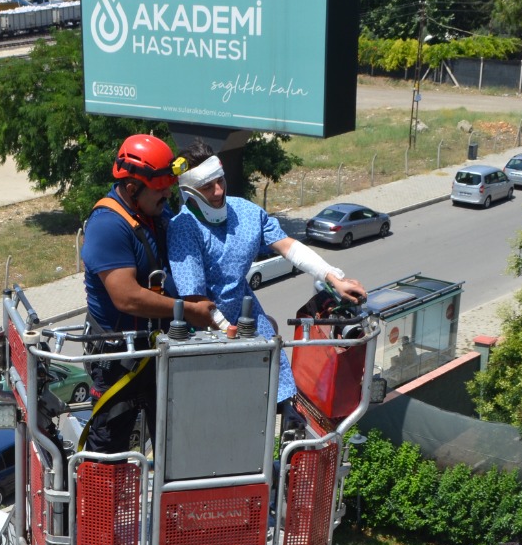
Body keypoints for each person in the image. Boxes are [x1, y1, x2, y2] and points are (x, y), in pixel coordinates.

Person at [167, 141, 366, 407]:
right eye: (207, 187)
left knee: (277, 391)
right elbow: (194, 301)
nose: (218, 191)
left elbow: (288, 246)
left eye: (220, 181)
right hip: (207, 330)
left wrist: (333, 277)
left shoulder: (246, 212)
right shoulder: (183, 228)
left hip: (248, 318)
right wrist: (231, 332)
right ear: (189, 191)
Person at [80, 133, 216, 453]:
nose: (168, 194)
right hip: (119, 359)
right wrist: (188, 311)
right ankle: (102, 487)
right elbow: (126, 296)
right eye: (160, 189)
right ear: (132, 188)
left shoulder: (154, 213)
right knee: (109, 446)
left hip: (155, 350)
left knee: (173, 440)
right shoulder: (108, 225)